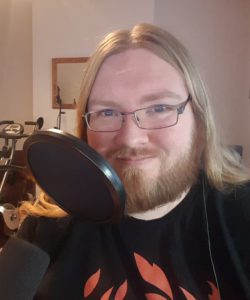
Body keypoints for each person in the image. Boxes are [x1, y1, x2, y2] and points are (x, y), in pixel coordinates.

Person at [6, 23, 250, 299]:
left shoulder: (242, 215)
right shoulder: (44, 229)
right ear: (85, 128)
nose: (131, 139)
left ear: (200, 121)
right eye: (107, 112)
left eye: (160, 108)